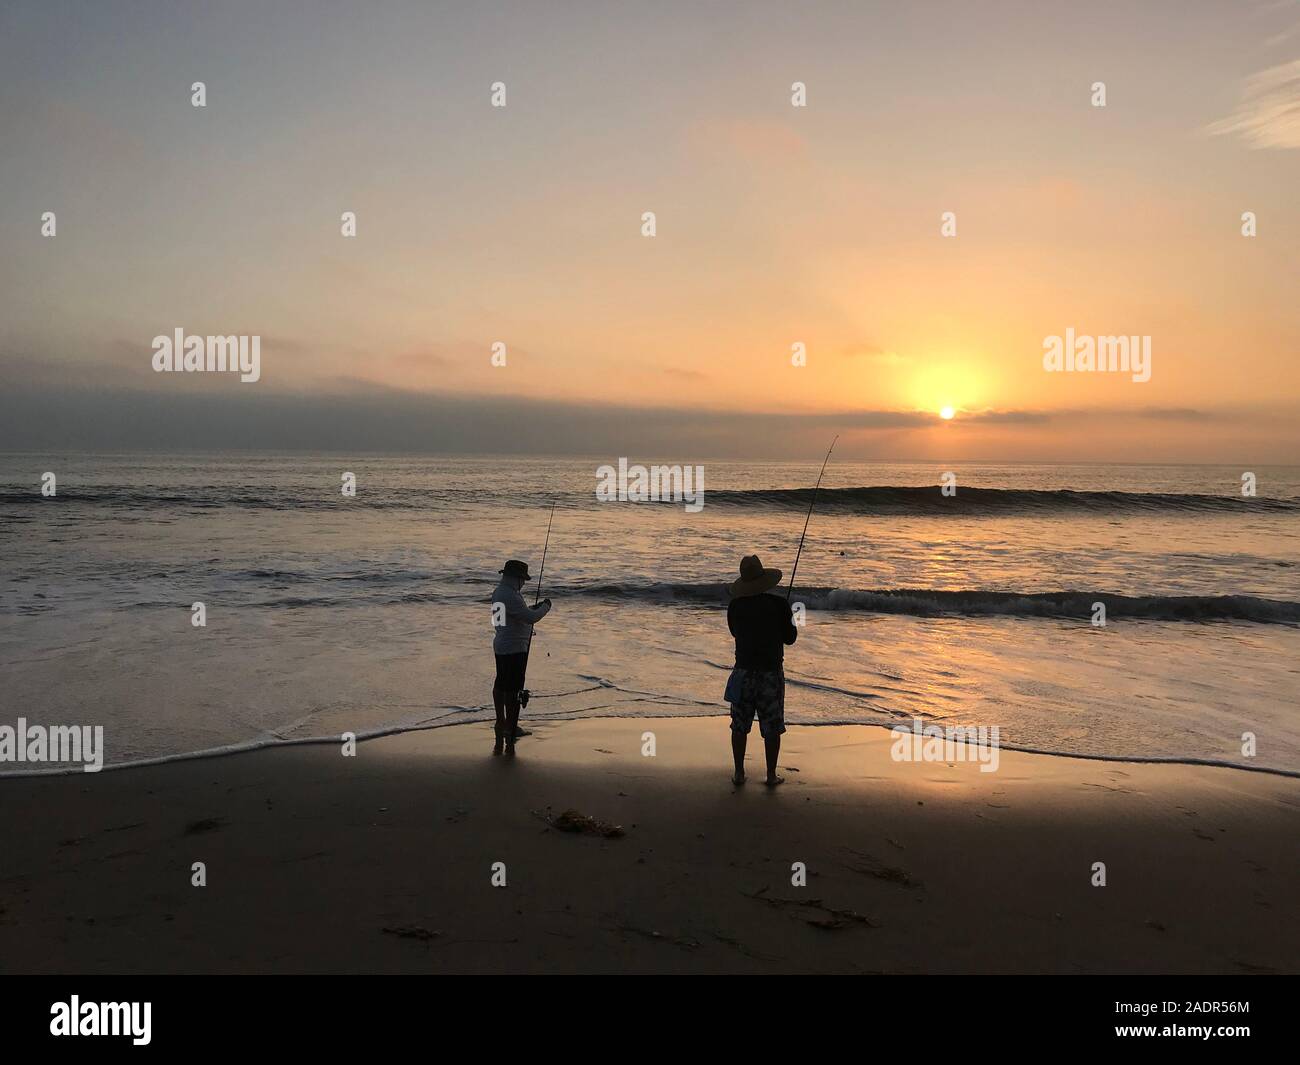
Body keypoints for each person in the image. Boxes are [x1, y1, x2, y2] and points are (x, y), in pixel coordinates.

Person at [724, 554, 796, 786]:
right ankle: (771, 774)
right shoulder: (778, 604)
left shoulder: (735, 606)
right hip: (770, 673)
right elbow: (790, 638)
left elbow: (734, 632)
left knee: (739, 724)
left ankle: (739, 772)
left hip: (742, 671)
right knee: (772, 725)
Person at [490, 559, 552, 756]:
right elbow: (531, 618)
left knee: (500, 684)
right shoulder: (512, 596)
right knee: (514, 689)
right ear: (516, 578)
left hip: (500, 644)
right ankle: (511, 726)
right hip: (515, 648)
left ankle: (501, 721)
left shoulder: (499, 593)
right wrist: (545, 607)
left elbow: (503, 619)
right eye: (523, 579)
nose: (524, 583)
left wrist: (530, 608)